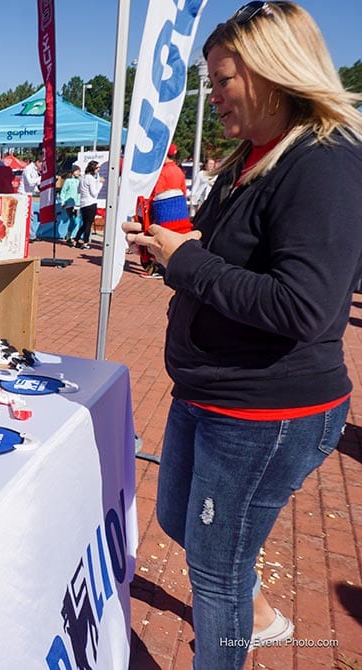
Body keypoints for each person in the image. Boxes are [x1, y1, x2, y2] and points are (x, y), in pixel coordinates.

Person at [122, 3, 362, 667]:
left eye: (224, 80)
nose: (214, 95)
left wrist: (187, 260)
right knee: (180, 521)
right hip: (210, 391)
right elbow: (212, 258)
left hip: (266, 409)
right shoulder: (247, 159)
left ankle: (235, 629)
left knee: (214, 572)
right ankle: (257, 608)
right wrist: (165, 251)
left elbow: (303, 307)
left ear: (273, 72)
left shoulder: (325, 162)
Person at [142, 143, 189, 277]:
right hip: (178, 210)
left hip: (163, 209)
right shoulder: (178, 170)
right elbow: (183, 191)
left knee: (159, 241)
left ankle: (159, 268)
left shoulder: (162, 171)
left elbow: (156, 193)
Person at [73, 160, 103, 249]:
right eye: (97, 167)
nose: (99, 169)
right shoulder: (90, 178)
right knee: (88, 224)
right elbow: (94, 193)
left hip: (83, 203)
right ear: (93, 168)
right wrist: (100, 184)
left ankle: (76, 239)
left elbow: (79, 190)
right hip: (90, 203)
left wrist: (97, 181)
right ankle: (85, 242)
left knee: (85, 223)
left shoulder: (83, 178)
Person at [59, 166, 81, 244]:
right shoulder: (68, 181)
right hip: (69, 204)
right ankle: (69, 237)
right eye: (77, 171)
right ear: (73, 172)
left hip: (77, 204)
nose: (79, 173)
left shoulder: (80, 181)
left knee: (76, 221)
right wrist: (63, 202)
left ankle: (69, 236)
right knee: (73, 220)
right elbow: (63, 192)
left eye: (79, 171)